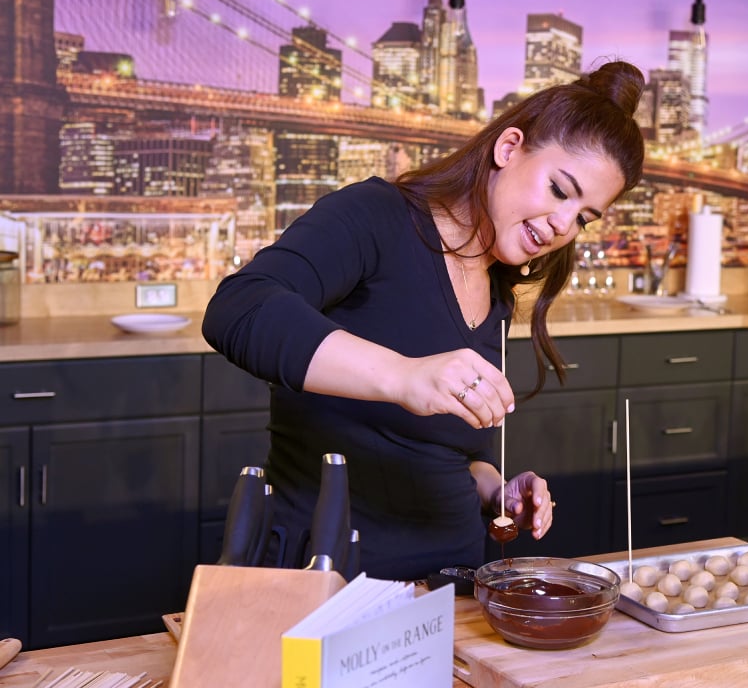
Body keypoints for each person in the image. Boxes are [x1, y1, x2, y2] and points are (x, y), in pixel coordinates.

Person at [202, 60, 646, 580]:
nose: (563, 226)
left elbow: (457, 455)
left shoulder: (497, 289)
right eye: (559, 190)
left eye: (584, 219)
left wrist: (496, 489)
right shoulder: (376, 217)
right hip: (327, 583)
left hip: (452, 588)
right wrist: (402, 375)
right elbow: (239, 307)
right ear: (509, 148)